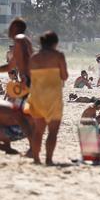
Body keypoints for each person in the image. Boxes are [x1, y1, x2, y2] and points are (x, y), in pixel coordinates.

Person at [25, 31, 68, 165]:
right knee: (53, 131)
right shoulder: (58, 56)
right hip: (53, 97)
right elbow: (64, 76)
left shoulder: (33, 58)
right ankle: (48, 159)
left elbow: (30, 76)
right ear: (55, 43)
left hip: (37, 97)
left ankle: (36, 159)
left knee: (38, 131)